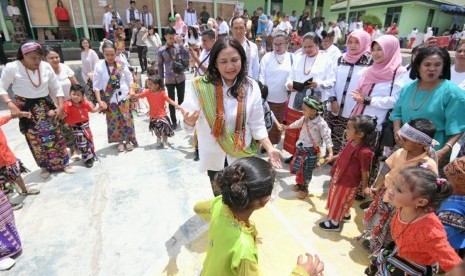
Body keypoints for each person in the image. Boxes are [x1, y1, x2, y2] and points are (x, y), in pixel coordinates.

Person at [181, 37, 282, 195]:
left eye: (235, 60)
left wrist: (269, 148)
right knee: (220, 199)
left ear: (242, 60)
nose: (230, 66)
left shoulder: (251, 86)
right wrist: (188, 121)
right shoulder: (199, 87)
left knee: (240, 198)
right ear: (215, 63)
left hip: (241, 156)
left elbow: (257, 124)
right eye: (223, 61)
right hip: (214, 159)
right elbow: (187, 124)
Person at [193, 157, 324, 276]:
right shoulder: (244, 250)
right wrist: (302, 273)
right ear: (265, 200)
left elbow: (198, 208)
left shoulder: (218, 203)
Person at [366, 167, 462, 275]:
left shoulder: (431, 231)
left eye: (399, 190)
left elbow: (453, 264)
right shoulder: (403, 206)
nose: (391, 190)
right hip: (395, 253)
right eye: (393, 183)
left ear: (421, 202)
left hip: (412, 268)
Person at [363, 119, 439, 253]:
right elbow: (386, 168)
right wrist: (377, 185)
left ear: (420, 144)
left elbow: (428, 190)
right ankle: (375, 242)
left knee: (391, 230)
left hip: (402, 205)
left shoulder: (428, 165)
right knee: (379, 220)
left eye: (405, 139)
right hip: (386, 194)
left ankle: (383, 251)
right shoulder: (400, 152)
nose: (400, 140)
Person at [0, 42, 71, 178]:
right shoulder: (12, 67)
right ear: (24, 55)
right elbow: (1, 87)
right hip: (26, 108)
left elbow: (56, 87)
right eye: (33, 58)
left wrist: (61, 106)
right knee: (35, 138)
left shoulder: (46, 67)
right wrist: (10, 103)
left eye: (39, 58)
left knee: (55, 134)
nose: (37, 61)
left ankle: (63, 163)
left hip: (45, 105)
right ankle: (44, 167)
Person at [391, 47, 465, 169]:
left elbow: (458, 127)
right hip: (404, 147)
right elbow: (397, 113)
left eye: (437, 64)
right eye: (427, 64)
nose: (432, 68)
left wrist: (444, 150)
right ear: (418, 66)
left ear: (443, 66)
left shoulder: (454, 93)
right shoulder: (408, 88)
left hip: (433, 152)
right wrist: (396, 130)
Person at [351, 35, 407, 195]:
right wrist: (358, 95)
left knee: (369, 158)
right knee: (355, 155)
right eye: (373, 49)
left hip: (377, 124)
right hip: (360, 118)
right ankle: (351, 185)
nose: (375, 53)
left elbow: (395, 101)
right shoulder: (370, 69)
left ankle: (363, 190)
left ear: (390, 50)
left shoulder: (398, 71)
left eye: (380, 49)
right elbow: (360, 89)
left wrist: (368, 100)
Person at [284, 33, 335, 163]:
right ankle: (295, 154)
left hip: (314, 101)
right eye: (304, 47)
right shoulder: (298, 58)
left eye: (310, 46)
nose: (307, 50)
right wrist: (289, 85)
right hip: (297, 100)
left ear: (318, 45)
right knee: (296, 129)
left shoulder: (326, 60)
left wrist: (319, 84)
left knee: (311, 131)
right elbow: (290, 77)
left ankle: (309, 157)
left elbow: (332, 81)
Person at [320, 115, 376, 232]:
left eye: (349, 128)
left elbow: (365, 171)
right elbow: (343, 154)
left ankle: (334, 222)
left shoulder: (365, 152)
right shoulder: (352, 141)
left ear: (360, 134)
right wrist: (332, 158)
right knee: (342, 197)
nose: (346, 130)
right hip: (340, 174)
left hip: (348, 180)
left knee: (339, 199)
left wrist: (365, 187)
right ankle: (345, 214)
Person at [326, 30, 373, 155]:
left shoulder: (370, 62)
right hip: (336, 106)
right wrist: (332, 99)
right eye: (350, 42)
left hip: (355, 107)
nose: (352, 45)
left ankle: (343, 159)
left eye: (357, 42)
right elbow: (331, 81)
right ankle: (331, 157)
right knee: (332, 132)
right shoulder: (340, 59)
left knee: (351, 134)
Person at [282, 96, 333, 199]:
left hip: (311, 152)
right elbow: (297, 123)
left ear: (313, 111)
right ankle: (299, 185)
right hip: (301, 148)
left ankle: (305, 189)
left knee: (306, 171)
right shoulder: (305, 118)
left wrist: (330, 153)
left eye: (304, 109)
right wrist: (287, 127)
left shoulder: (321, 124)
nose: (302, 111)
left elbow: (327, 138)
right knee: (299, 169)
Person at [93, 41, 137, 153]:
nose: (110, 57)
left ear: (115, 53)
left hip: (123, 97)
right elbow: (96, 86)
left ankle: (128, 140)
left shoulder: (121, 65)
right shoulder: (99, 66)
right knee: (115, 120)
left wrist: (131, 89)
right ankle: (120, 142)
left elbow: (130, 78)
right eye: (107, 54)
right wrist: (99, 101)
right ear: (103, 54)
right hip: (110, 98)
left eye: (112, 54)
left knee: (126, 119)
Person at [259, 32, 293, 146]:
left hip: (282, 98)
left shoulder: (292, 58)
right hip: (267, 97)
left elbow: (293, 76)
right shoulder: (267, 57)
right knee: (265, 121)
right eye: (275, 44)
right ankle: (265, 144)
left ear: (286, 44)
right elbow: (261, 75)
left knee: (277, 123)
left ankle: (273, 144)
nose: (277, 47)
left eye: (280, 44)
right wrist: (262, 90)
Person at [130, 76, 181, 148]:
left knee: (163, 130)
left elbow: (169, 100)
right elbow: (139, 95)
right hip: (153, 115)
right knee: (156, 130)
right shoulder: (147, 92)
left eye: (150, 84)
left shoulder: (162, 93)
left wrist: (177, 105)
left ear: (157, 85)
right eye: (148, 84)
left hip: (162, 115)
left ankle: (165, 140)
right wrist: (133, 95)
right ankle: (158, 139)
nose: (148, 86)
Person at [0, 111, 40, 197]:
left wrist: (21, 114)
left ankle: (24, 190)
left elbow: (7, 117)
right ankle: (8, 202)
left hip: (7, 157)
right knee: (3, 183)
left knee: (16, 175)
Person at [158, 27, 189, 129]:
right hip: (169, 79)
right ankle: (174, 122)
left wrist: (181, 45)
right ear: (165, 37)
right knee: (171, 102)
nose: (171, 40)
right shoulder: (161, 50)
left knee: (181, 101)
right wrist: (160, 82)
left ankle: (183, 120)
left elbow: (187, 56)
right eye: (169, 38)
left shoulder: (179, 47)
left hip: (180, 78)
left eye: (173, 37)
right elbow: (159, 66)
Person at [63, 85, 99, 168]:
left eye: (78, 95)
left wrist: (99, 107)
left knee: (89, 140)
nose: (76, 97)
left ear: (82, 96)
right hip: (76, 127)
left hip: (86, 125)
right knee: (82, 143)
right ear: (70, 94)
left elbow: (92, 110)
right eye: (74, 94)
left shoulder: (84, 103)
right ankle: (87, 159)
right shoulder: (67, 105)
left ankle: (90, 154)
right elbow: (64, 115)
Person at [438, 157, 465, 258]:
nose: (445, 180)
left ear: (456, 184)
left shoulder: (452, 211)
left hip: (446, 251)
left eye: (448, 178)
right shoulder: (458, 198)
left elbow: (439, 236)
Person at [80, 38, 100, 104]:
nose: (85, 44)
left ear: (89, 44)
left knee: (96, 89)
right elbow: (83, 64)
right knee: (90, 90)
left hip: (93, 74)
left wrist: (92, 73)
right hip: (86, 75)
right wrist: (85, 73)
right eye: (83, 43)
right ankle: (94, 103)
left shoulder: (92, 52)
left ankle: (99, 102)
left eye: (86, 43)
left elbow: (97, 63)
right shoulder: (82, 53)